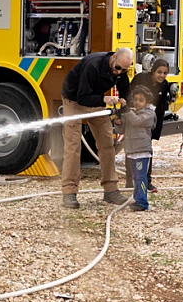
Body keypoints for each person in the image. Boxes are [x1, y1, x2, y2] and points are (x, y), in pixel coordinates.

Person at [60, 48, 133, 209]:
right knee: (73, 146)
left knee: (107, 143)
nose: (118, 72)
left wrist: (127, 104)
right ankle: (69, 192)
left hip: (97, 100)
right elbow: (82, 97)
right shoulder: (92, 65)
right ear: (113, 57)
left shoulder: (121, 71)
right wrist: (104, 99)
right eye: (117, 68)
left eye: (123, 70)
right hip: (75, 100)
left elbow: (126, 91)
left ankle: (111, 190)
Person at [129, 59, 171, 191]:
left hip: (148, 121)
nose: (162, 75)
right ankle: (130, 181)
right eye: (159, 72)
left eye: (165, 73)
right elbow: (129, 95)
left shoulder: (164, 85)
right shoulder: (141, 78)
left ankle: (147, 180)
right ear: (153, 71)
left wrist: (156, 128)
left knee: (147, 151)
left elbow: (161, 107)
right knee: (130, 150)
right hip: (135, 118)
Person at [120, 85, 156, 212]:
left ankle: (142, 202)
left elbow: (136, 121)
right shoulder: (132, 113)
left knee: (141, 177)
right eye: (135, 99)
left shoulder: (149, 113)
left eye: (141, 100)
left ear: (147, 101)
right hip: (131, 151)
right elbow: (121, 129)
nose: (137, 102)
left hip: (142, 152)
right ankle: (137, 199)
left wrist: (125, 110)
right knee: (135, 177)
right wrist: (118, 120)